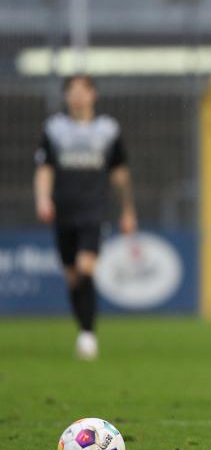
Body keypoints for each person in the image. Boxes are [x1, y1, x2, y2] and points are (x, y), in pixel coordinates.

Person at [34, 74, 137, 360]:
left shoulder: (108, 129)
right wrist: (43, 199)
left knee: (86, 266)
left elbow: (119, 172)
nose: (77, 96)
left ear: (93, 94)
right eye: (72, 91)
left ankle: (88, 334)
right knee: (72, 276)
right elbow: (45, 169)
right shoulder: (54, 129)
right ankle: (83, 328)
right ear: (66, 97)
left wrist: (128, 211)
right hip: (63, 210)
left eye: (83, 90)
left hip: (94, 210)